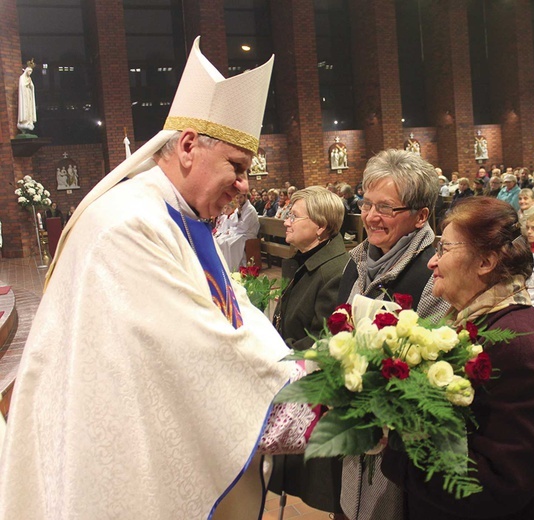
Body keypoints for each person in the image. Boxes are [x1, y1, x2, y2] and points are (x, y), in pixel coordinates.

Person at [0, 37, 314, 520]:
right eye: (237, 166)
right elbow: (194, 354)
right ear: (189, 146)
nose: (245, 185)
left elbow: (237, 316)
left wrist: (301, 371)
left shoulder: (176, 215)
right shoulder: (129, 226)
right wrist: (309, 398)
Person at [381, 196, 534, 519]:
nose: (431, 263)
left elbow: (500, 483)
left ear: (486, 262)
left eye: (444, 249)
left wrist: (395, 445)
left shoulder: (516, 346)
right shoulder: (478, 323)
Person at [338, 149, 450, 520]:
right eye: (366, 204)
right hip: (353, 433)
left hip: (399, 446)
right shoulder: (356, 262)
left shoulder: (434, 274)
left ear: (420, 216)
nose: (371, 217)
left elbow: (432, 367)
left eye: (386, 208)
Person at [268, 186, 350, 515]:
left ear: (320, 226)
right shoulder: (309, 261)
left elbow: (323, 336)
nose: (286, 221)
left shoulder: (333, 271)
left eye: (294, 215)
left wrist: (273, 351)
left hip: (313, 390)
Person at [215, 193, 260, 272]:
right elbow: (233, 223)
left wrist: (233, 229)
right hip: (239, 232)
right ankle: (225, 266)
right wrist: (238, 214)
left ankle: (235, 268)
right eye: (237, 198)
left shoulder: (250, 209)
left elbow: (244, 227)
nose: (239, 200)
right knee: (221, 240)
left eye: (240, 197)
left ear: (245, 197)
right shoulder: (238, 208)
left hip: (248, 234)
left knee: (230, 243)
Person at [17, 59, 37, 133]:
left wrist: (31, 86)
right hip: (24, 96)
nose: (30, 73)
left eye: (31, 72)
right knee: (24, 109)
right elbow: (22, 86)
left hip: (29, 96)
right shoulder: (22, 78)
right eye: (29, 71)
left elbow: (32, 87)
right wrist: (26, 84)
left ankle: (29, 121)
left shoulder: (29, 79)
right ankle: (24, 122)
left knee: (29, 109)